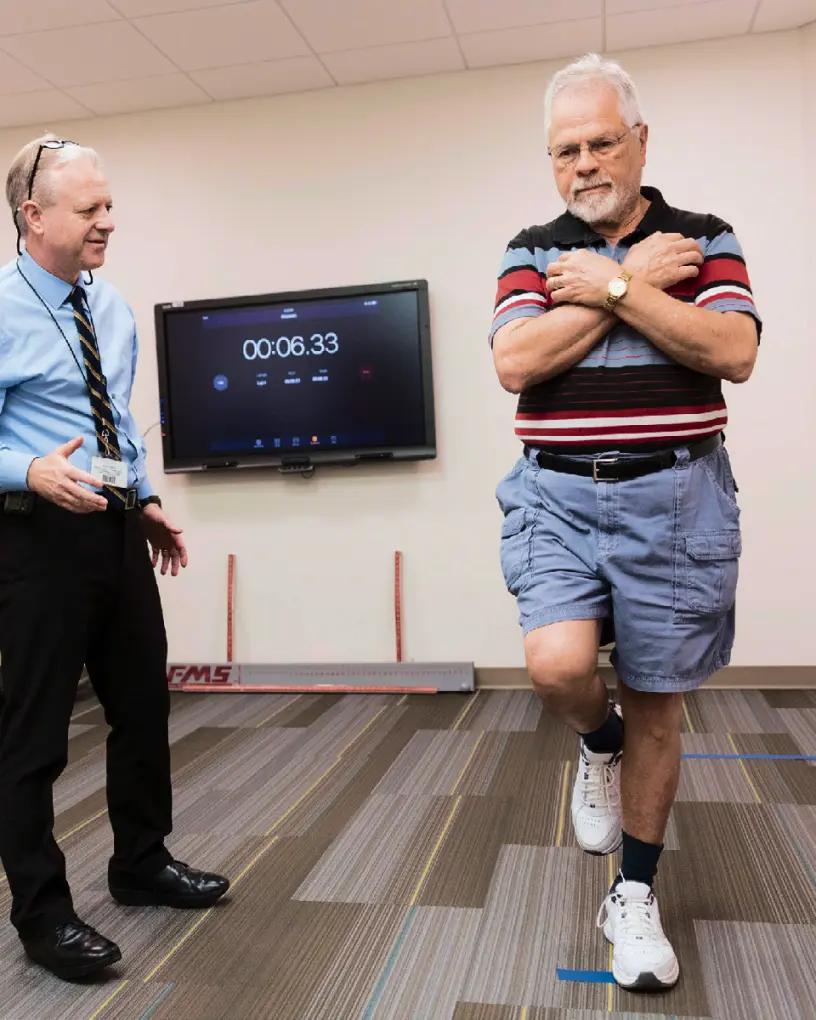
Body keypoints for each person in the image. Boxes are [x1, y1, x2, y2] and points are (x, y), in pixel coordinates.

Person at [491, 54, 759, 991]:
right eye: (565, 149)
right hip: (556, 496)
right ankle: (592, 744)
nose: (584, 164)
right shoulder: (530, 248)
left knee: (657, 701)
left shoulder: (704, 237)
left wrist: (606, 287)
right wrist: (633, 291)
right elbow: (517, 363)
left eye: (602, 142)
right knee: (559, 667)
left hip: (677, 499)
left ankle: (634, 896)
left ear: (641, 141)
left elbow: (731, 350)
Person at [0, 136, 229, 982]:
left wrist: (148, 502)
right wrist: (26, 468)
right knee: (33, 739)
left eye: (109, 205)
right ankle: (42, 914)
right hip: (31, 539)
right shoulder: (1, 308)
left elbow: (118, 425)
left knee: (141, 706)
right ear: (34, 217)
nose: (109, 221)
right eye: (90, 209)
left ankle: (140, 862)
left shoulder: (112, 306)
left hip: (113, 532)